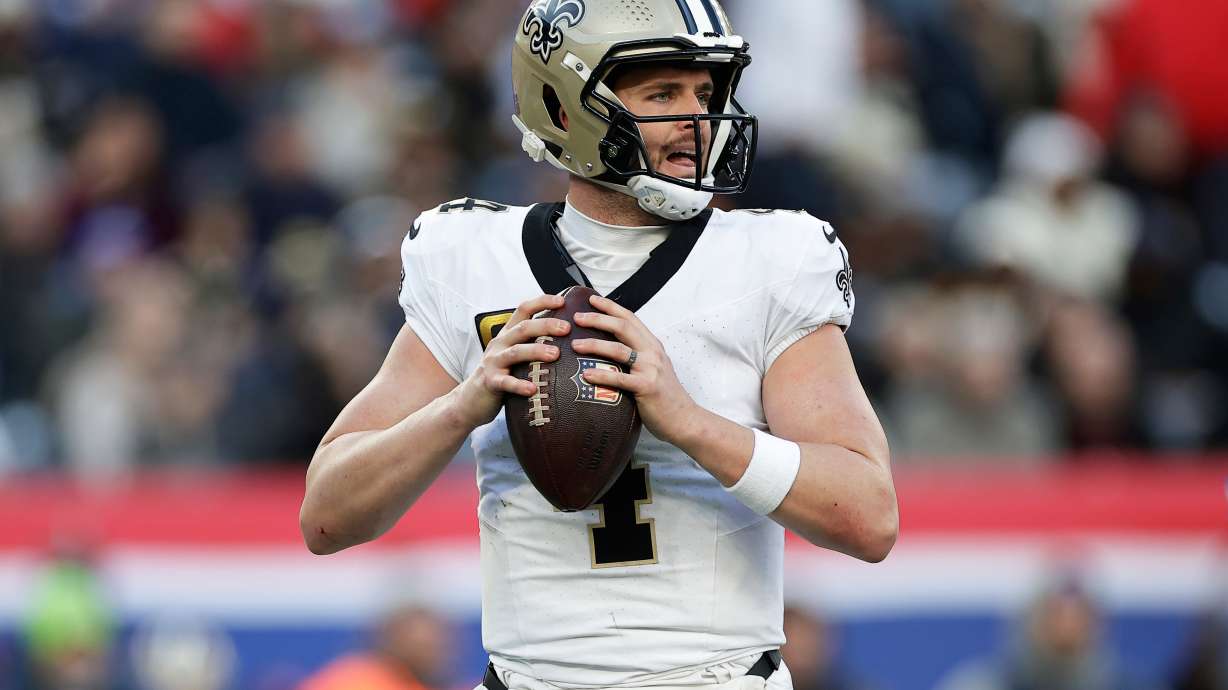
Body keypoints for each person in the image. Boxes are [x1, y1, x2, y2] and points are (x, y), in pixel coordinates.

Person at [299, 1, 899, 688]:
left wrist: (691, 424)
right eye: (663, 93)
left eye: (705, 93)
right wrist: (461, 408)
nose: (696, 121)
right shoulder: (472, 260)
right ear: (565, 107)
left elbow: (869, 516)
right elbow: (326, 518)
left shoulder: (769, 261)